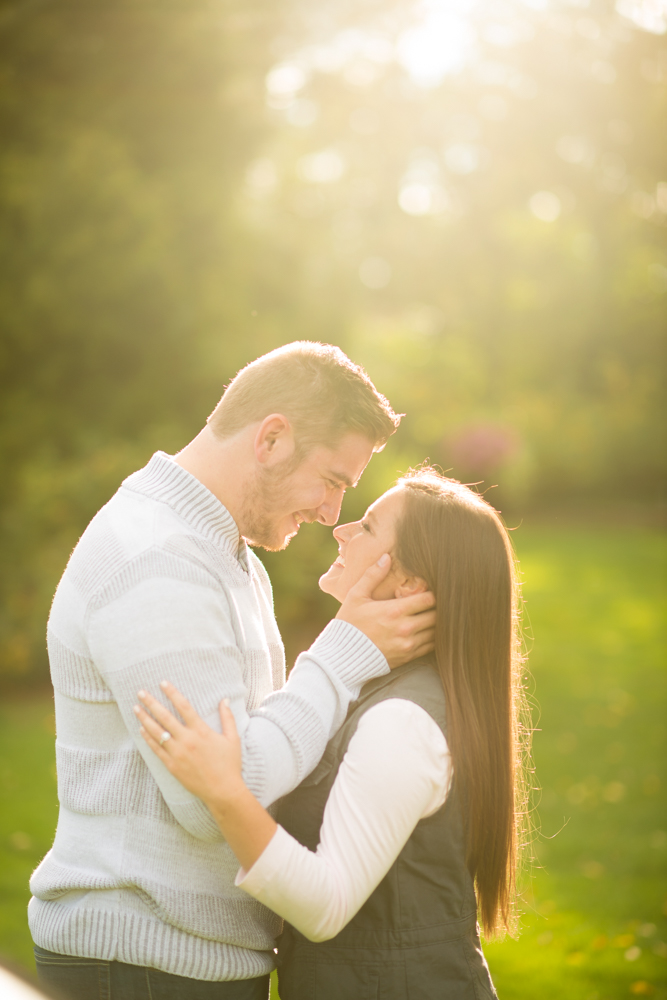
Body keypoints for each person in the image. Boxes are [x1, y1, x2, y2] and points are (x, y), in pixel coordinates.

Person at [30, 342, 437, 1000]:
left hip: (182, 965)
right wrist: (342, 655)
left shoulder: (225, 554)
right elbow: (219, 794)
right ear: (271, 438)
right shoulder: (157, 559)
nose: (332, 513)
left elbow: (252, 750)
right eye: (332, 480)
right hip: (143, 967)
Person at [136, 468, 532, 1000]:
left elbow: (326, 905)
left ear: (409, 584)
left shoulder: (404, 721)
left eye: (367, 527)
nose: (342, 531)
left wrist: (224, 791)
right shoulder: (383, 686)